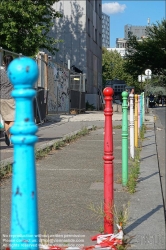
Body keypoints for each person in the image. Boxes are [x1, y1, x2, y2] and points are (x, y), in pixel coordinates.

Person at [0, 55, 14, 146]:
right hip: (12, 98)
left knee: (6, 119)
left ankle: (7, 134)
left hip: (2, 97)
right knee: (13, 119)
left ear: (4, 62)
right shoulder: (15, 73)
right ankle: (10, 137)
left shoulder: (0, 72)